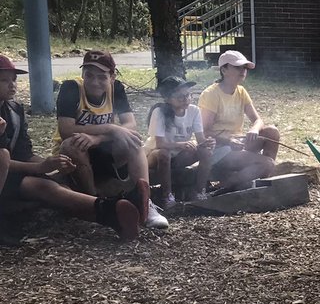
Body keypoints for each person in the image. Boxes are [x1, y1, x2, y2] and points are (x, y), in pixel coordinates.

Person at [0, 55, 140, 242]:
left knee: (57, 183)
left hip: (14, 171)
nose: (12, 85)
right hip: (8, 173)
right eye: (4, 80)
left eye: (14, 80)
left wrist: (52, 164)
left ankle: (113, 212)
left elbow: (24, 153)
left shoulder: (14, 110)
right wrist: (38, 168)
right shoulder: (71, 88)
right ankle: (109, 211)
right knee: (41, 186)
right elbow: (3, 159)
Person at [55, 49, 168, 229]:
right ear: (82, 74)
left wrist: (98, 138)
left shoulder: (116, 89)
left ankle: (145, 203)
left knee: (132, 140)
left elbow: (130, 125)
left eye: (102, 77)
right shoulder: (71, 88)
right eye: (89, 75)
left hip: (104, 148)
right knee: (72, 143)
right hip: (75, 156)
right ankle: (97, 206)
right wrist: (110, 127)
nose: (94, 82)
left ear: (112, 77)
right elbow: (66, 130)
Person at [197, 50, 279, 193]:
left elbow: (258, 120)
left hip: (238, 144)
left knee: (272, 132)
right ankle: (223, 186)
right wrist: (228, 141)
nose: (243, 71)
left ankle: (256, 176)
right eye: (238, 67)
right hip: (219, 150)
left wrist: (254, 128)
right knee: (268, 164)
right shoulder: (210, 94)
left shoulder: (241, 91)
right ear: (224, 70)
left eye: (244, 68)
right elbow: (205, 131)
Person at [146, 76, 213, 205]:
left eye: (188, 95)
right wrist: (180, 145)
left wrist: (207, 143)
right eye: (180, 97)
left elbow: (200, 140)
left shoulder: (194, 111)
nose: (186, 100)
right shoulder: (159, 112)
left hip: (179, 156)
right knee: (163, 154)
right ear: (167, 99)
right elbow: (159, 144)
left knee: (206, 152)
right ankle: (167, 196)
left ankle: (200, 191)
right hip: (155, 154)